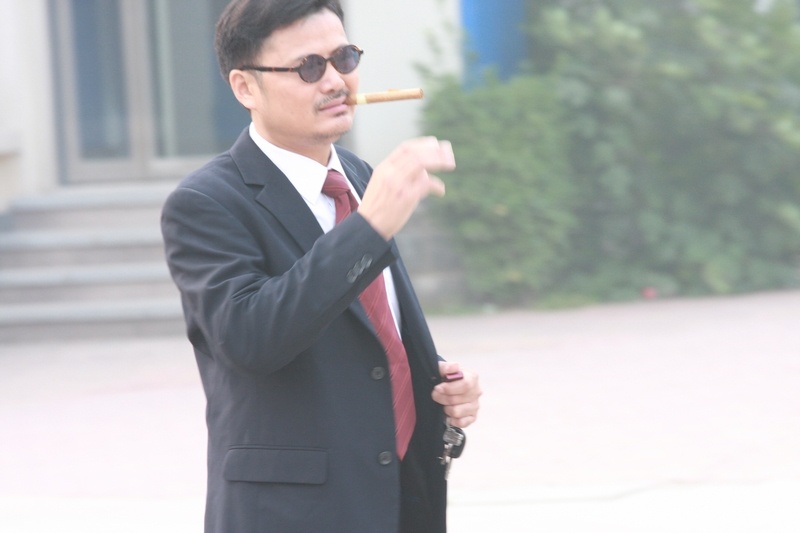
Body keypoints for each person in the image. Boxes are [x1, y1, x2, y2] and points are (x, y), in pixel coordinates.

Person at [161, 0, 482, 531]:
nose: (335, 81)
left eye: (344, 58)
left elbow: (365, 325)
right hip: (293, 514)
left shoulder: (359, 175)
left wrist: (437, 375)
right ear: (245, 87)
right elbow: (251, 338)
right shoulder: (206, 202)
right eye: (309, 67)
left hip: (399, 498)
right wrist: (368, 228)